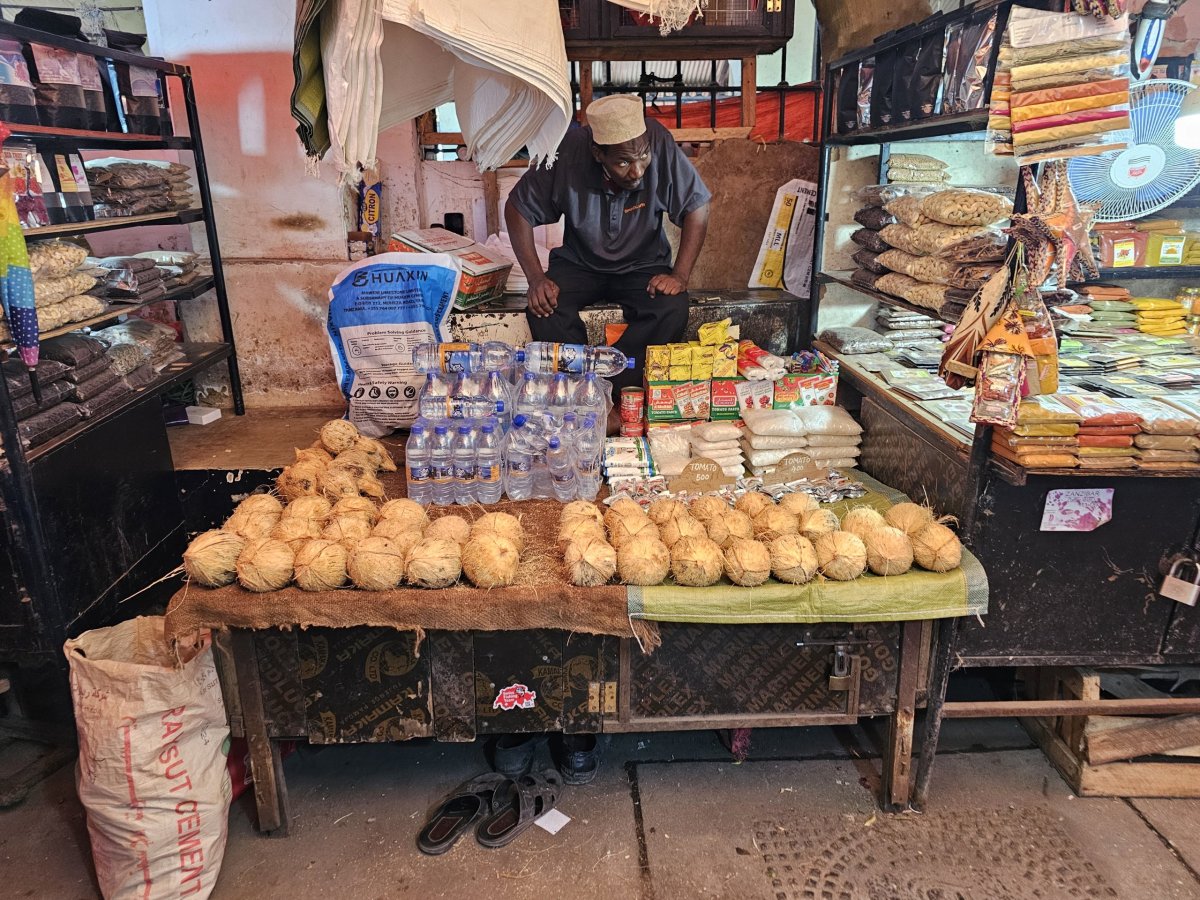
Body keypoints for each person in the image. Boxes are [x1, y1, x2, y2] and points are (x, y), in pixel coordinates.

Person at [505, 93, 712, 425]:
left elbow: (697, 208)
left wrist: (681, 275)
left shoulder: (657, 139)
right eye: (623, 162)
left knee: (671, 308)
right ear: (598, 153)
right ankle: (584, 394)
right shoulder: (568, 151)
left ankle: (612, 393)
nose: (637, 170)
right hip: (578, 263)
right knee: (545, 308)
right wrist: (535, 279)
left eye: (643, 156)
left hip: (644, 263)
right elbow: (517, 208)